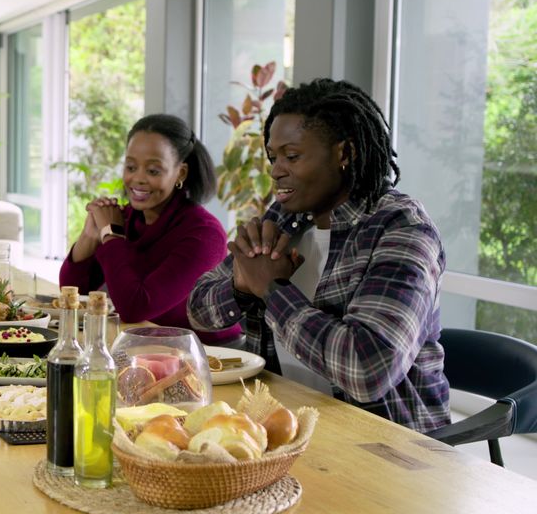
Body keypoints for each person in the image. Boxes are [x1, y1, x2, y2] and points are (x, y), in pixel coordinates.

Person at [187, 78, 450, 433]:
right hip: (285, 425)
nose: (276, 170)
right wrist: (241, 284)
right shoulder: (284, 218)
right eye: (273, 157)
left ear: (345, 153)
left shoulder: (402, 230)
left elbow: (369, 369)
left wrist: (272, 290)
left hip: (386, 445)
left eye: (292, 157)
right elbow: (198, 311)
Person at [59, 114, 242, 345]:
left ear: (181, 173)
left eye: (153, 171)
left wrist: (112, 236)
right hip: (149, 346)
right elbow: (72, 291)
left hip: (210, 355)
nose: (138, 179)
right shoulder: (125, 218)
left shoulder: (204, 234)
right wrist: (90, 235)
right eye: (131, 167)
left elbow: (136, 308)